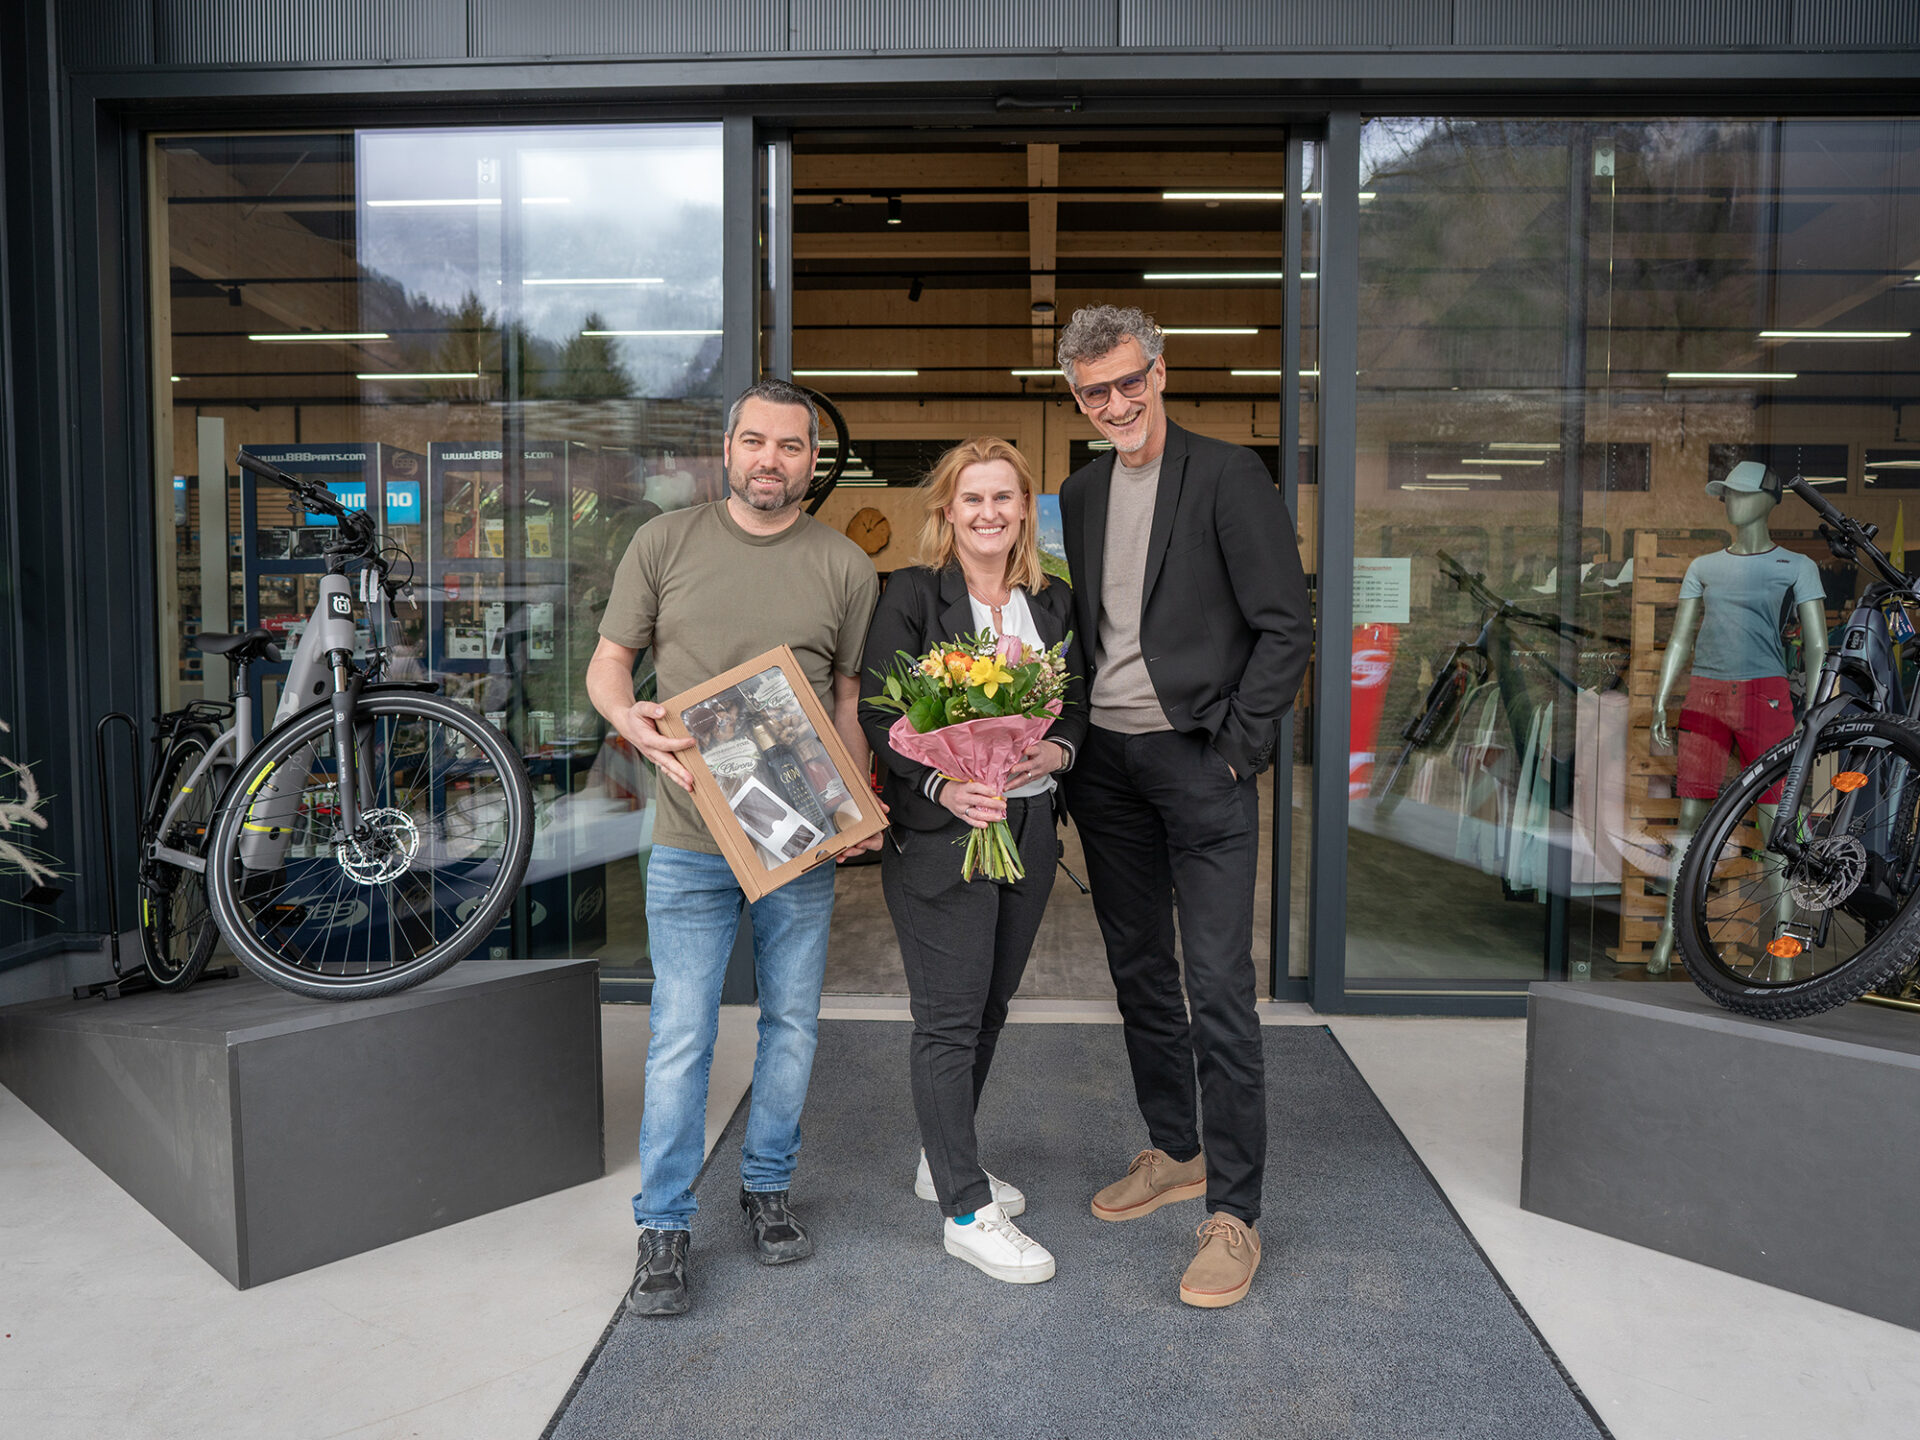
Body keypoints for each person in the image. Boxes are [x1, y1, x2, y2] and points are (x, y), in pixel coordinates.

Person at [587, 378, 883, 1318]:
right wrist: (629, 722)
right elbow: (609, 664)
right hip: (688, 839)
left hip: (796, 841)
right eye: (755, 441)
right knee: (683, 1031)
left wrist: (851, 808)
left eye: (790, 446)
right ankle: (665, 1223)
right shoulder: (663, 542)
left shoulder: (845, 566)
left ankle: (766, 1188)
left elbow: (846, 702)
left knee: (792, 1023)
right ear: (728, 448)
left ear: (811, 461)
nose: (770, 460)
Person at [1054, 305, 1312, 1309]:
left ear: (1160, 372)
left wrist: (1236, 753)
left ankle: (1234, 1212)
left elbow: (1285, 627)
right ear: (1075, 396)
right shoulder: (1079, 492)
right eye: (1095, 391)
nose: (1116, 403)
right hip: (1107, 768)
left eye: (1130, 381)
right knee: (1139, 972)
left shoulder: (1228, 476)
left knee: (1218, 983)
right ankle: (1177, 1149)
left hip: (1200, 761)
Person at [858, 437, 1088, 1286]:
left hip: (1027, 826)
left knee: (990, 1006)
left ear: (1024, 509)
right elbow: (882, 714)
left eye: (1004, 497)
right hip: (943, 832)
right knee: (949, 1018)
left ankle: (941, 1158)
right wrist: (945, 787)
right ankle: (964, 1210)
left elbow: (1078, 704)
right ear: (947, 511)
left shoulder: (1052, 600)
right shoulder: (914, 594)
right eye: (972, 498)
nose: (989, 512)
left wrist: (1056, 753)